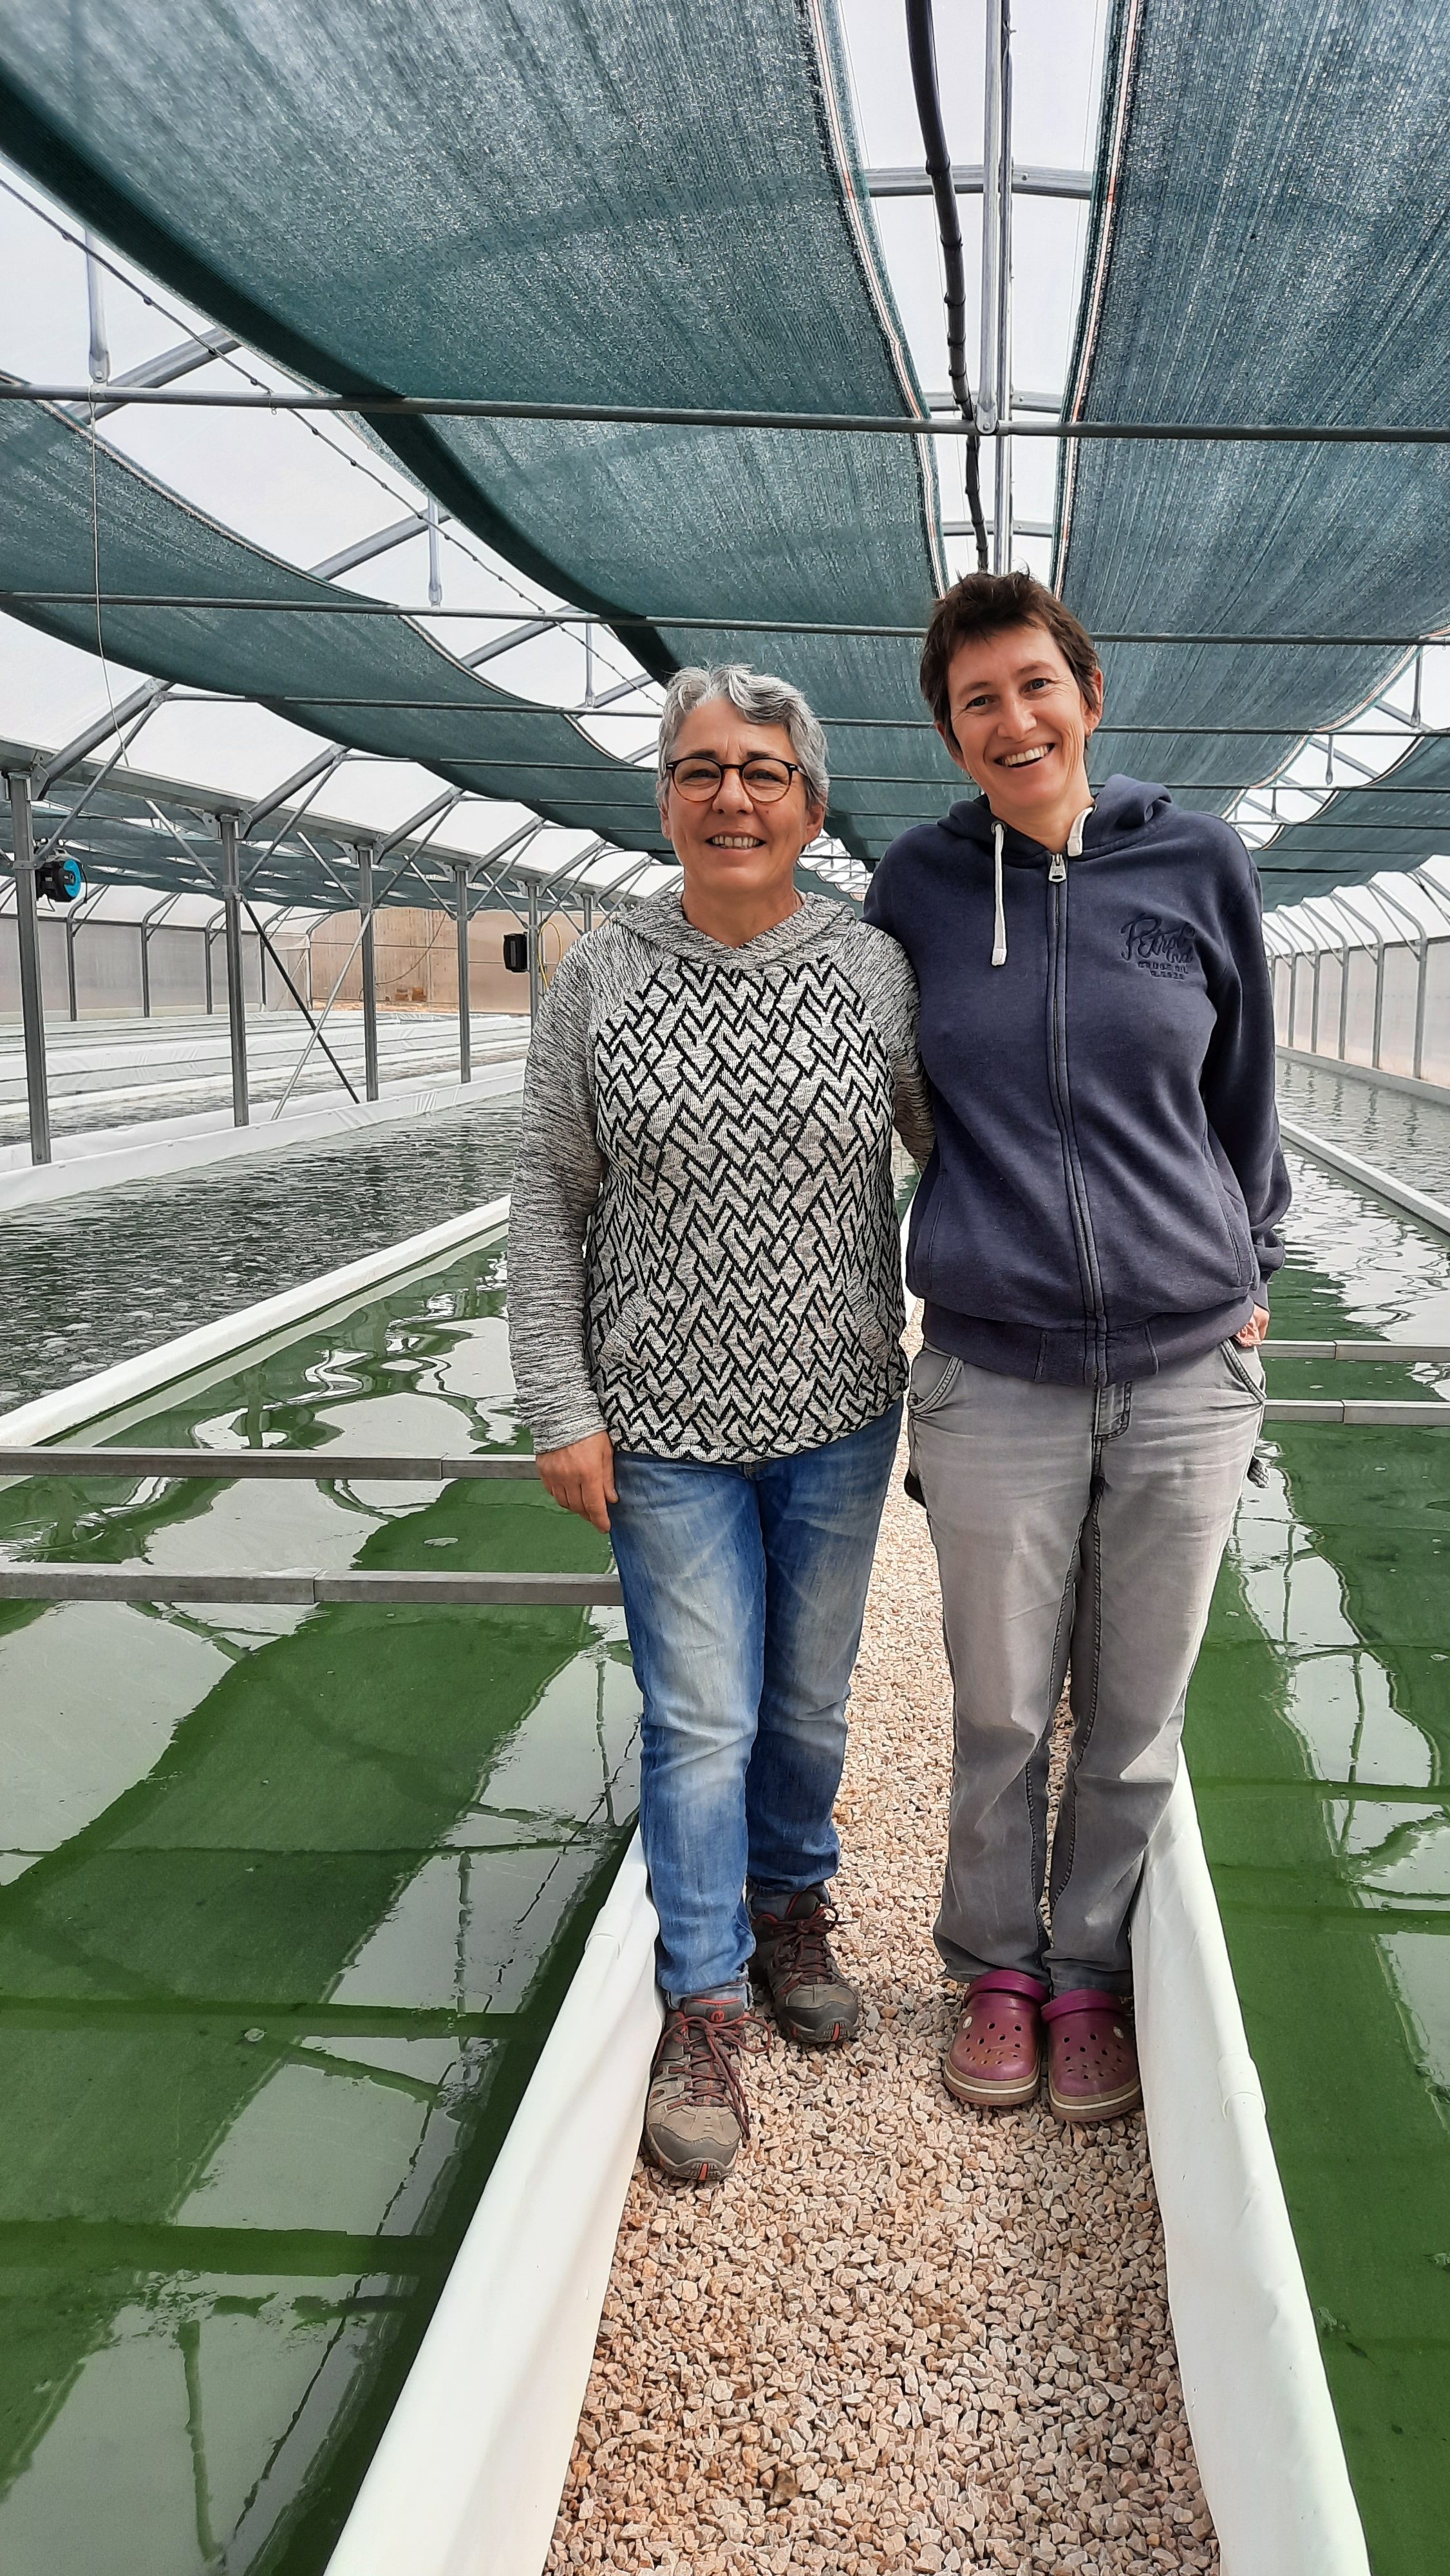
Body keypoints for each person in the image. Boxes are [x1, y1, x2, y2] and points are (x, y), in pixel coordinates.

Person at [864, 571, 1289, 2125]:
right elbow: (891, 1094)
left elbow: (1245, 1090)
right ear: (952, 734)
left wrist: (1248, 1261)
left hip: (1185, 1371)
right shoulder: (916, 887)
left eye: (1035, 683)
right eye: (977, 699)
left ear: (1089, 696)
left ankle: (1093, 1972)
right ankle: (996, 1964)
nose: (1014, 717)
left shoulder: (1197, 863)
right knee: (997, 1701)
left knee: (1136, 1704)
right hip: (994, 1370)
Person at [509, 664, 929, 2184]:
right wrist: (559, 1404)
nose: (730, 796)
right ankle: (701, 2002)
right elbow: (546, 1199)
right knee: (701, 1715)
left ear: (810, 805)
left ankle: (790, 1902)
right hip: (661, 1419)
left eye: (762, 771)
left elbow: (953, 1160)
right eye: (700, 769)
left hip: (837, 1407)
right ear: (665, 799)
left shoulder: (872, 969)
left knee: (806, 1701)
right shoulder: (600, 978)